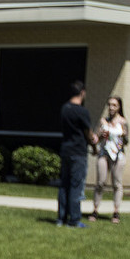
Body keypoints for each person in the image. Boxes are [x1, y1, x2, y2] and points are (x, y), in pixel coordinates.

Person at [57, 81, 97, 227]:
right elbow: (88, 133)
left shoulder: (64, 109)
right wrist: (94, 145)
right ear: (82, 92)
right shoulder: (82, 111)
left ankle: (61, 218)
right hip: (78, 152)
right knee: (76, 186)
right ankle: (74, 220)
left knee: (64, 185)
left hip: (66, 150)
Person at [91, 96, 128, 224]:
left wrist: (123, 134)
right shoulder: (104, 121)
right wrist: (100, 133)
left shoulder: (123, 122)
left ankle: (116, 212)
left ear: (119, 107)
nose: (111, 107)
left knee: (117, 184)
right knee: (100, 182)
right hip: (104, 154)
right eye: (109, 105)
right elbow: (97, 138)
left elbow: (127, 141)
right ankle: (95, 210)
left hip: (118, 156)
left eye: (114, 105)